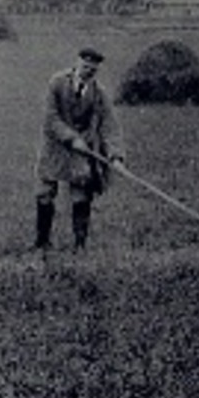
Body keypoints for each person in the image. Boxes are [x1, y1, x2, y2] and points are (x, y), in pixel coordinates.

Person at [35, 47, 126, 251]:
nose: (88, 71)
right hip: (54, 146)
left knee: (81, 194)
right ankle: (42, 243)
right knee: (45, 192)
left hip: (82, 150)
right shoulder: (57, 83)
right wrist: (70, 138)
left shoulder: (99, 93)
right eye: (85, 66)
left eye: (92, 69)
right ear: (77, 63)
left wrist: (116, 156)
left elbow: (109, 125)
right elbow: (50, 118)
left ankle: (80, 245)